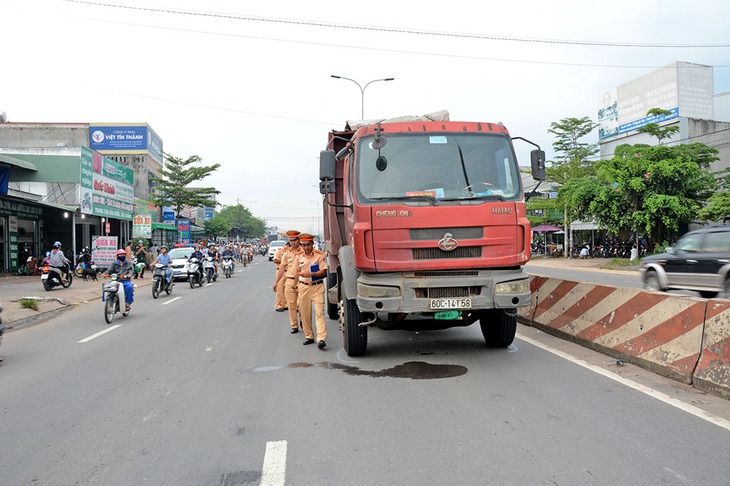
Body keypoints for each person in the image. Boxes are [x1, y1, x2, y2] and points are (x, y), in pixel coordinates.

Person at [295, 233, 329, 349]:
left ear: (312, 244)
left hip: (317, 287)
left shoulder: (319, 256)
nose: (305, 247)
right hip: (303, 287)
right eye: (303, 245)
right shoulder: (298, 257)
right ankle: (309, 336)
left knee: (319, 313)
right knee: (304, 314)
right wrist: (294, 286)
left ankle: (321, 339)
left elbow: (324, 272)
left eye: (307, 245)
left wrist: (312, 274)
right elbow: (296, 272)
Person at [273, 230, 303, 333]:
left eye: (294, 240)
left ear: (299, 240)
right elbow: (282, 268)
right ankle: (294, 325)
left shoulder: (304, 252)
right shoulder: (286, 254)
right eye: (290, 240)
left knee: (301, 304)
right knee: (291, 305)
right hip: (289, 281)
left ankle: (303, 320)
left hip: (302, 281)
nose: (292, 242)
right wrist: (276, 282)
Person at [107, 248, 134, 314]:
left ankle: (127, 302)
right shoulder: (114, 263)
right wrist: (105, 274)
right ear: (117, 256)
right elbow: (109, 270)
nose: (121, 255)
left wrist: (129, 275)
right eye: (120, 254)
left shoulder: (128, 263)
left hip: (125, 280)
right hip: (115, 280)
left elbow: (131, 271)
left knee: (129, 287)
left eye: (123, 254)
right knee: (107, 286)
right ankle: (107, 300)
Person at [273, 240, 290, 312]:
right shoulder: (279, 251)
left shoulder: (290, 252)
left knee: (287, 289)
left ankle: (285, 304)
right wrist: (284, 261)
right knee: (279, 289)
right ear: (286, 245)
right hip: (281, 271)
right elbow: (275, 260)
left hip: (288, 272)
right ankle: (278, 305)